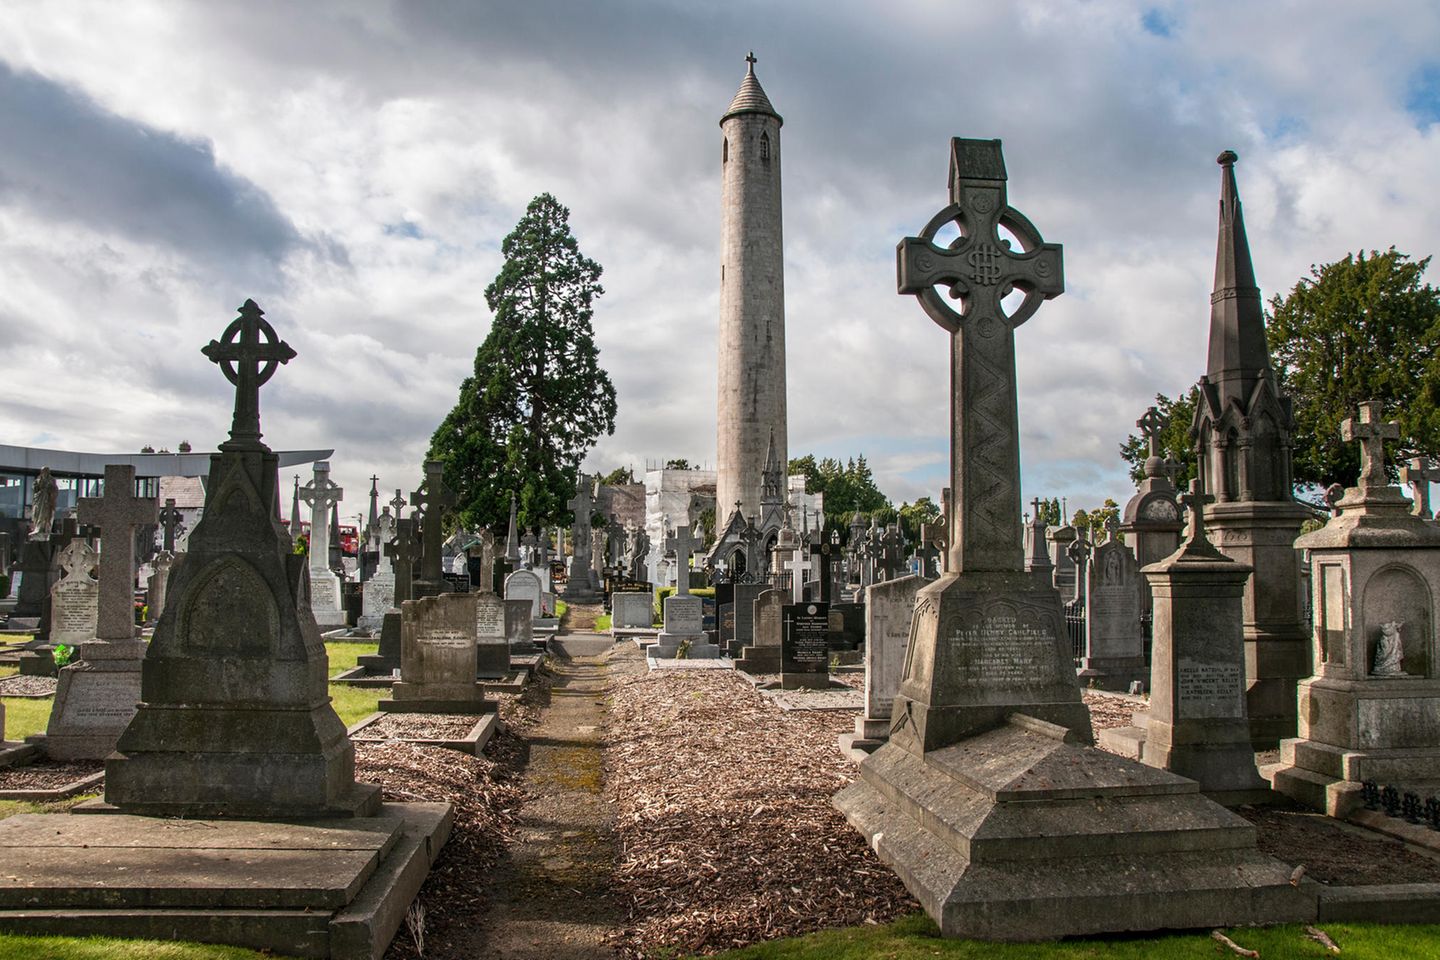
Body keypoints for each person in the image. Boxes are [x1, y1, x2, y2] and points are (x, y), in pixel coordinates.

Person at [28, 467, 57, 541]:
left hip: (47, 502)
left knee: (45, 515)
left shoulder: (51, 480)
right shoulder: (38, 479)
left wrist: (49, 490)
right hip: (39, 501)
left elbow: (54, 490)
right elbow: (35, 489)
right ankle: (37, 528)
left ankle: (44, 529)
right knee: (37, 514)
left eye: (46, 471)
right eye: (43, 471)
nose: (44, 472)